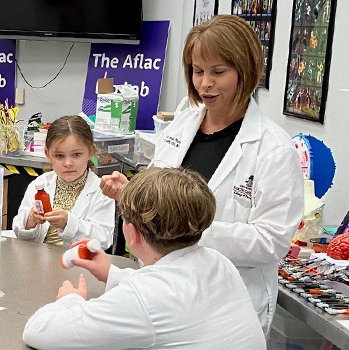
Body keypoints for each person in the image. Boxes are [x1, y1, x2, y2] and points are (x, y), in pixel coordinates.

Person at [99, 15, 303, 333]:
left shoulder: (273, 148)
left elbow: (271, 241)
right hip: (164, 291)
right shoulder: (183, 125)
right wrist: (133, 193)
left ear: (245, 71)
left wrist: (187, 232)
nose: (204, 83)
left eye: (218, 72)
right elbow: (160, 193)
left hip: (227, 304)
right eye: (197, 71)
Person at [23, 168, 266, 350]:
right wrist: (112, 274)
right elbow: (171, 290)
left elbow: (38, 331)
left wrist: (72, 301)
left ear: (132, 233)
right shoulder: (218, 262)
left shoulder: (144, 299)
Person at [12, 116, 115, 249]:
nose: (68, 163)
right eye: (60, 156)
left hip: (78, 265)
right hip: (38, 261)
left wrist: (69, 224)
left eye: (76, 154)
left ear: (91, 152)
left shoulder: (101, 191)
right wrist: (30, 220)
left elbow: (103, 239)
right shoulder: (40, 184)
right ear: (48, 154)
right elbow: (19, 231)